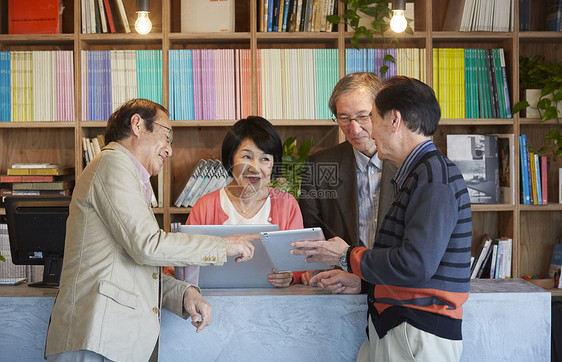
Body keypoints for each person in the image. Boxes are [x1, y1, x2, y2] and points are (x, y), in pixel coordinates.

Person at [45, 99, 256, 362]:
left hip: (113, 342)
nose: (169, 150)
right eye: (167, 137)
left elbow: (135, 265)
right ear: (137, 125)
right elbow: (147, 246)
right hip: (98, 339)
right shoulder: (114, 164)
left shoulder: (124, 173)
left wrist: (184, 293)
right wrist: (222, 246)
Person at [292, 76, 472, 361]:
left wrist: (348, 256)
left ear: (394, 120)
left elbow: (414, 264)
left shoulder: (432, 176)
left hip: (414, 328)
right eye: (343, 118)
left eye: (370, 117)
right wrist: (361, 282)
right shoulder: (420, 172)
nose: (366, 130)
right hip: (394, 323)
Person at [176, 116, 305, 288]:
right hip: (215, 302)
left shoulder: (287, 205)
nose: (254, 168)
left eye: (265, 159)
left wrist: (290, 276)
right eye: (246, 156)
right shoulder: (205, 205)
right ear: (231, 159)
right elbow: (185, 258)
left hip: (274, 302)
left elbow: (300, 262)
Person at [298, 72, 396, 284]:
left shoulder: (405, 163)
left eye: (363, 116)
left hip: (394, 287)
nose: (354, 129)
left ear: (381, 113)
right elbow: (312, 232)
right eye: (344, 118)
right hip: (338, 284)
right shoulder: (320, 165)